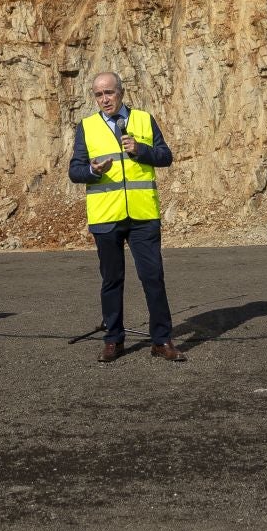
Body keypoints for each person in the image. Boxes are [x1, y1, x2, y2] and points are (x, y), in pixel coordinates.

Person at [67, 71, 186, 363]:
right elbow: (74, 171)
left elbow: (165, 156)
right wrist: (94, 171)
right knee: (111, 280)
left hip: (143, 215)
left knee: (153, 278)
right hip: (107, 215)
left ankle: (162, 340)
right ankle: (113, 340)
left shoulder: (144, 120)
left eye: (109, 93)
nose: (104, 99)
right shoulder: (87, 127)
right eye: (98, 94)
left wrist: (140, 150)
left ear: (121, 92)